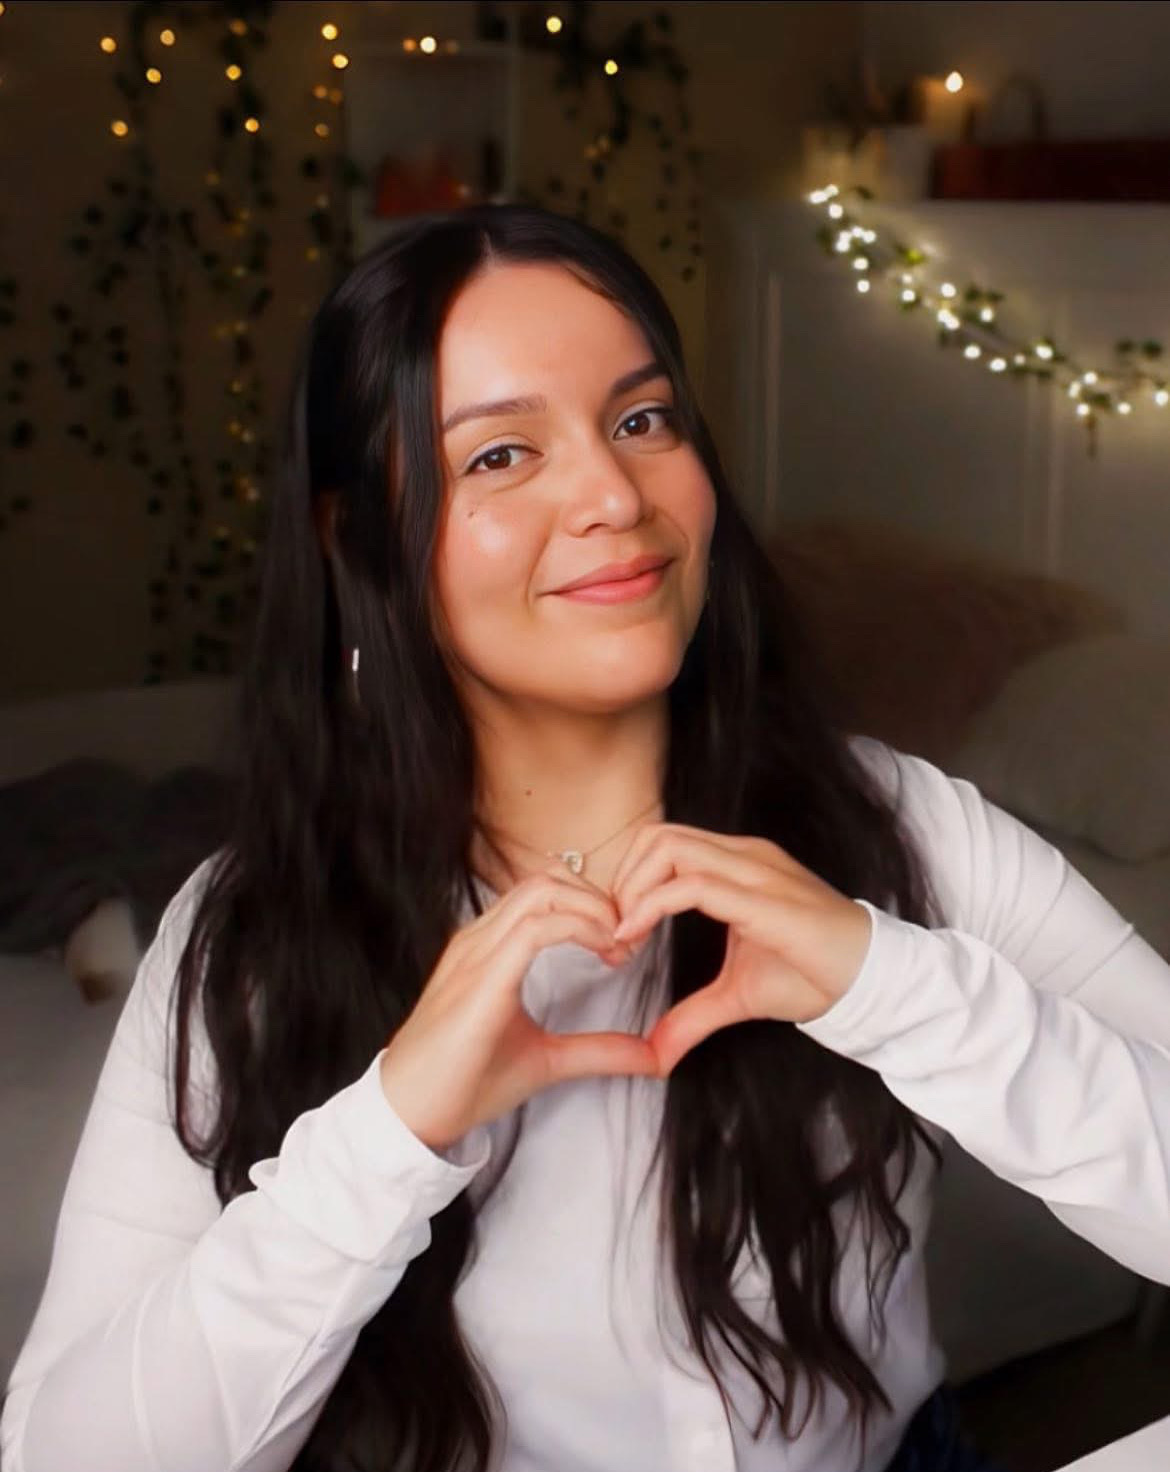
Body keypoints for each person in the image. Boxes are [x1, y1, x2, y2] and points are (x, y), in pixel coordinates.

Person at [2, 202, 1168, 1472]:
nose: (614, 494)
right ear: (361, 538)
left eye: (641, 418)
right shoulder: (251, 936)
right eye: (500, 455)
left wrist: (896, 985)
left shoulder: (905, 829)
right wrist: (389, 1133)